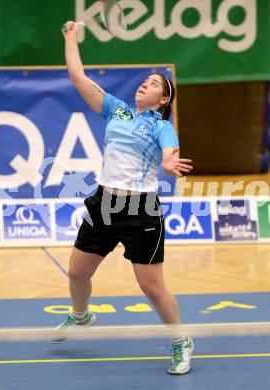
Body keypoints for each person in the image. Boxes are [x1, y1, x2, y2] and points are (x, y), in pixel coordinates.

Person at [51, 20, 194, 375]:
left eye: (155, 84)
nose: (146, 83)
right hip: (104, 203)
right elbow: (78, 78)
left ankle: (181, 342)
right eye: (146, 80)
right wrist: (71, 39)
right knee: (77, 272)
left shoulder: (162, 126)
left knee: (151, 285)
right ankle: (81, 316)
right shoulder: (116, 109)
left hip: (140, 210)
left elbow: (168, 152)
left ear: (164, 100)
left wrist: (170, 162)